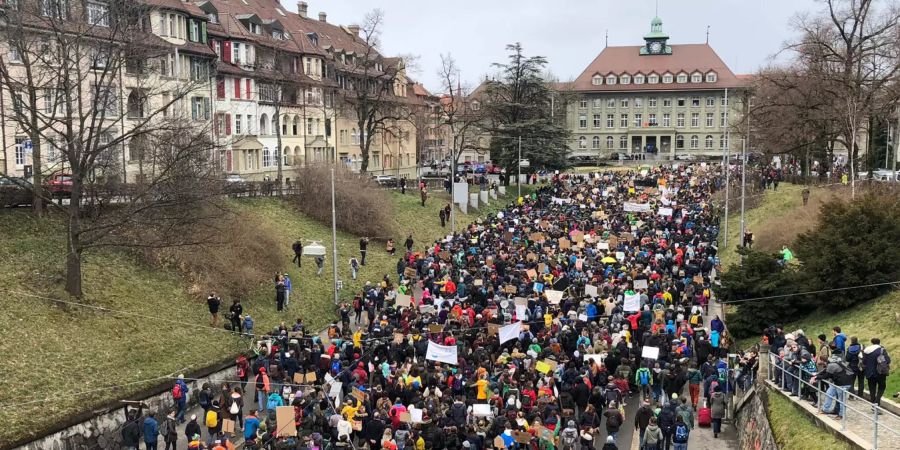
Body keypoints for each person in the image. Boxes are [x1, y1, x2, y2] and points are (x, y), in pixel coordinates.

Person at [862, 337, 891, 406]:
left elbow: (864, 362)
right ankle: (877, 401)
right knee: (882, 386)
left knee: (872, 388)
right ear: (879, 342)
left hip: (869, 373)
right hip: (880, 372)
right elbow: (888, 360)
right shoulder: (881, 350)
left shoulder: (866, 351)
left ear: (872, 342)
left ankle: (873, 403)